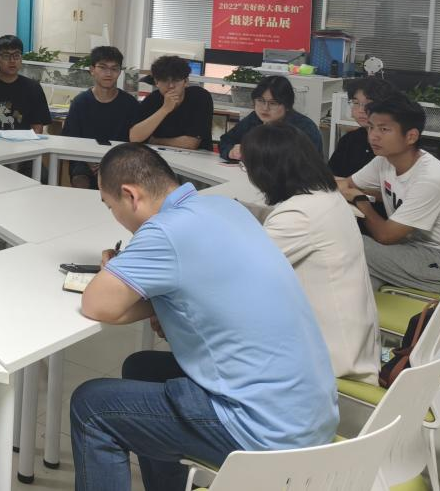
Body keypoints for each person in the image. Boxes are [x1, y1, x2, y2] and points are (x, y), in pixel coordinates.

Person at [70, 143, 337, 491]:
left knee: (91, 407)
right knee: (142, 368)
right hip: (310, 415)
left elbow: (99, 304)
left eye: (111, 206)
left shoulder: (165, 230)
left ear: (130, 195)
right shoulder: (224, 207)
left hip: (263, 431)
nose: (115, 217)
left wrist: (115, 270)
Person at [242, 121, 379, 382]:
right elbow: (282, 221)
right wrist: (242, 209)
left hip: (329, 364)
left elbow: (242, 270)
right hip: (352, 343)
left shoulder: (299, 215)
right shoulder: (325, 196)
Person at [336, 95, 440, 291]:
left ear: (411, 136)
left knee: (352, 244)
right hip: (415, 250)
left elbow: (385, 236)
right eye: (371, 127)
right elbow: (345, 184)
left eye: (384, 129)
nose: (373, 136)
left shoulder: (430, 179)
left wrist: (360, 199)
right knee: (357, 274)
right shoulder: (384, 161)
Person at [62, 45, 139, 188]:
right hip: (85, 159)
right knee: (81, 180)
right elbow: (70, 138)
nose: (108, 73)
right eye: (103, 67)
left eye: (114, 68)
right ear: (92, 70)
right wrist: (89, 160)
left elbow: (134, 143)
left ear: (120, 72)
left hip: (118, 161)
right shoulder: (80, 102)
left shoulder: (130, 104)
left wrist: (110, 163)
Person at [218, 75, 323, 161]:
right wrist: (231, 152)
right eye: (260, 100)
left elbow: (306, 165)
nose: (265, 108)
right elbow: (226, 141)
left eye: (273, 103)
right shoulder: (254, 118)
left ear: (287, 106)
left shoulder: (304, 127)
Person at [0, 34, 51, 133]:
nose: (12, 61)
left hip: (25, 142)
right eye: (6, 56)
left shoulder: (33, 87)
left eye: (16, 55)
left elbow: (37, 126)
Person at [129, 55, 214, 150]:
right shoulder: (152, 99)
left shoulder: (199, 97)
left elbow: (191, 144)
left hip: (197, 156)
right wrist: (165, 109)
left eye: (176, 80)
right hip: (161, 154)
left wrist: (155, 141)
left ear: (186, 81)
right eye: (165, 80)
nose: (171, 86)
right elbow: (134, 137)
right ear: (156, 82)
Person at [328, 76, 398, 179]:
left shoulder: (397, 144)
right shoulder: (349, 140)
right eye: (356, 103)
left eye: (369, 104)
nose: (361, 110)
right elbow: (330, 177)